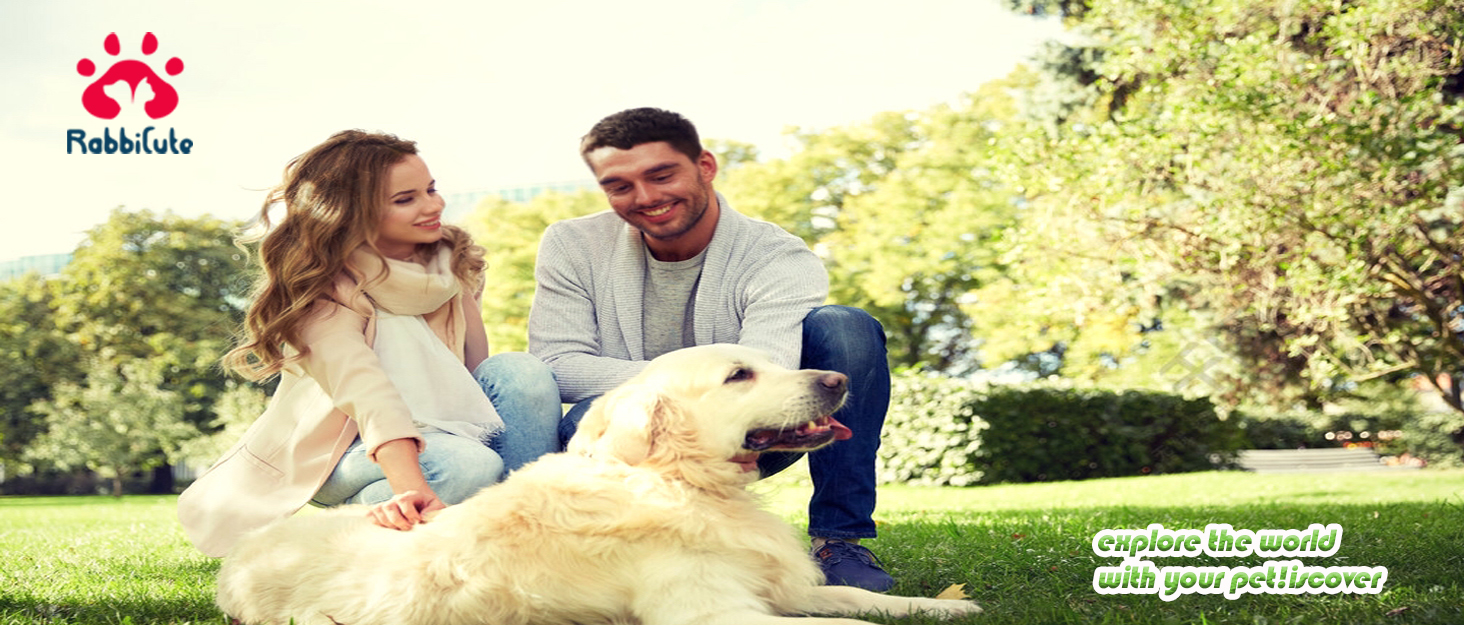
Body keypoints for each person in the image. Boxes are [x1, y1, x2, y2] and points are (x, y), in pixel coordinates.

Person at [528, 108, 896, 591]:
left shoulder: (777, 254)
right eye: (619, 186)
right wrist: (681, 391)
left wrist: (704, 391)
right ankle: (641, 552)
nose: (645, 198)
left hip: (753, 428)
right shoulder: (571, 245)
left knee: (845, 327)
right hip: (645, 436)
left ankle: (839, 541)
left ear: (705, 166)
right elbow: (557, 366)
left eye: (662, 175)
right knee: (586, 422)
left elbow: (769, 367)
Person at [178, 130, 562, 556]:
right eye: (406, 199)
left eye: (431, 190)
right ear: (350, 214)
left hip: (448, 429)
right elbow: (369, 396)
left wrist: (461, 280)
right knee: (467, 467)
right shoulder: (320, 291)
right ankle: (357, 524)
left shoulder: (446, 265)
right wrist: (412, 489)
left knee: (522, 371)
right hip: (346, 447)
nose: (433, 205)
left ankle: (523, 537)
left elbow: (470, 371)